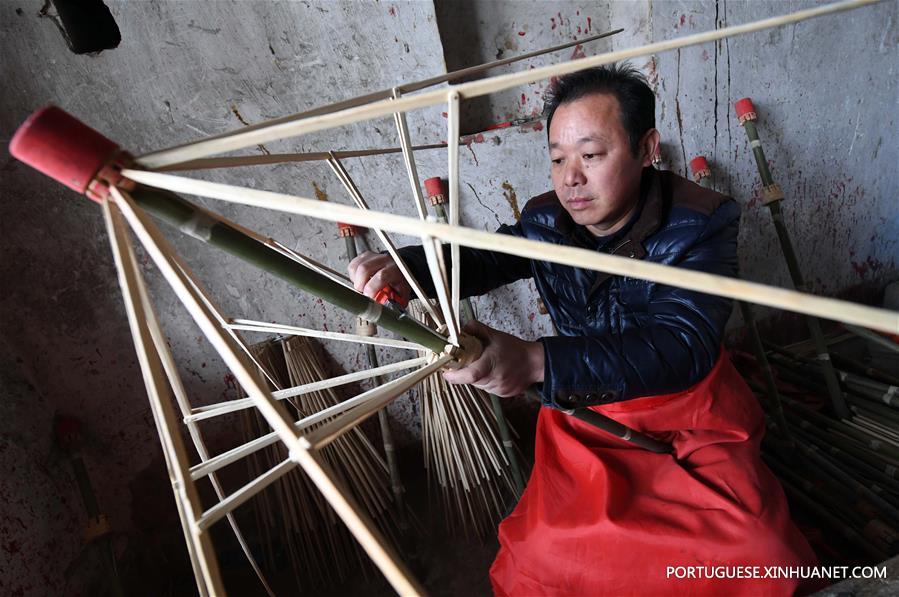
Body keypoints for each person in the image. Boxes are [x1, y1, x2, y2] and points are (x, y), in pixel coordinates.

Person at [349, 64, 817, 596]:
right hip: (585, 415)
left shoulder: (701, 222)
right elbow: (485, 258)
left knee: (757, 552)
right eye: (557, 159)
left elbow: (681, 345)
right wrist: (410, 267)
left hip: (689, 414)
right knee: (546, 551)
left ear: (646, 149)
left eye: (591, 156)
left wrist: (533, 363)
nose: (571, 177)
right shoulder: (546, 221)